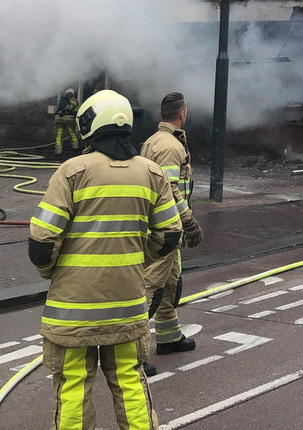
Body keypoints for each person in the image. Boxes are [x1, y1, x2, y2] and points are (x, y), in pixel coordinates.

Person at [29, 89, 181, 430]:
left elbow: (41, 241)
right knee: (129, 382)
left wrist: (50, 272)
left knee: (72, 389)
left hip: (71, 312)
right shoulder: (151, 173)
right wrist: (139, 261)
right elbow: (170, 236)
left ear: (89, 125)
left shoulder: (71, 172)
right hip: (127, 306)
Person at [140, 92, 203, 374]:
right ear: (182, 114)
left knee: (170, 285)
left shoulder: (155, 141)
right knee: (151, 289)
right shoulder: (169, 146)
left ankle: (168, 337)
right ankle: (134, 353)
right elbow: (171, 189)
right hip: (164, 230)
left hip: (165, 229)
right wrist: (189, 221)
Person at [53, 86, 81, 157]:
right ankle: (75, 148)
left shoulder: (60, 100)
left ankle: (58, 151)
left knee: (59, 135)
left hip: (59, 120)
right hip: (69, 120)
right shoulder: (75, 101)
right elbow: (77, 111)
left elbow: (56, 109)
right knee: (72, 133)